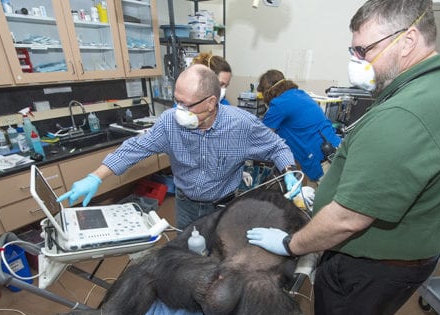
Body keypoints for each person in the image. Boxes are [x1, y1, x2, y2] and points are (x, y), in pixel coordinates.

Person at [246, 0, 440, 315]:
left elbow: (350, 218)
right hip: (409, 251)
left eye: (363, 50)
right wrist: (333, 190)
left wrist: (291, 243)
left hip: (373, 261)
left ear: (407, 41)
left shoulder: (406, 112)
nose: (358, 60)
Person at [57, 64, 298, 230]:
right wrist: (96, 176)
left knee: (219, 255)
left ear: (211, 102)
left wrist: (289, 172)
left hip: (223, 204)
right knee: (187, 254)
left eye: (186, 104)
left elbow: (277, 147)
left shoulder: (241, 124)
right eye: (176, 101)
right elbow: (134, 148)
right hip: (186, 204)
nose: (178, 110)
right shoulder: (169, 122)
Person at [258, 70, 341, 183]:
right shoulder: (300, 94)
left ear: (266, 91)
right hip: (335, 151)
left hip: (322, 160)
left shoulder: (279, 104)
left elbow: (262, 137)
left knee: (325, 199)